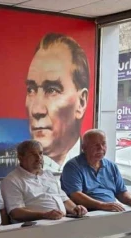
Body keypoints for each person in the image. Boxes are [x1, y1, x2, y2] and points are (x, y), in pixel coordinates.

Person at [26, 33, 90, 171]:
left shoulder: (93, 165)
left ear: (81, 103)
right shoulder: (19, 176)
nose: (36, 110)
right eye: (31, 90)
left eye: (52, 90)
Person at [61, 130, 131, 212]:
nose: (101, 148)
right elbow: (75, 195)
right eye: (95, 145)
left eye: (103, 144)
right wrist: (102, 205)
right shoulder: (73, 167)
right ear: (84, 147)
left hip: (110, 211)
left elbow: (121, 192)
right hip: (88, 214)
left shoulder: (111, 166)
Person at [1, 140, 87, 222]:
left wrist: (76, 209)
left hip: (62, 221)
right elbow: (16, 212)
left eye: (40, 153)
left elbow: (64, 199)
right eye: (33, 154)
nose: (39, 158)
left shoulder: (48, 174)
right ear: (20, 157)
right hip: (35, 226)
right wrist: (44, 215)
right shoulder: (12, 180)